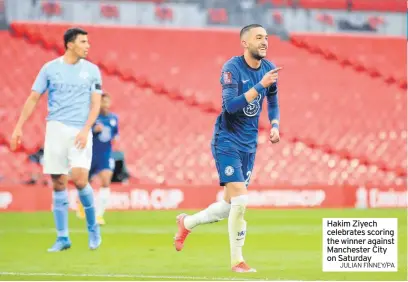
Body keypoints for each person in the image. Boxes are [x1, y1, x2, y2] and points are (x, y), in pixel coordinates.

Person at [173, 24, 282, 273]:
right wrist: (259, 86)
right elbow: (230, 106)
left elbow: (273, 99)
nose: (265, 42)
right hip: (227, 140)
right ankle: (237, 261)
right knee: (241, 200)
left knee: (228, 205)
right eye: (258, 38)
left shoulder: (268, 69)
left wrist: (275, 124)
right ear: (245, 43)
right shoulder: (232, 69)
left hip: (249, 144)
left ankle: (187, 223)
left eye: (266, 38)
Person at [10, 27, 103, 252]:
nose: (87, 46)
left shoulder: (92, 71)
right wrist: (18, 127)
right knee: (59, 182)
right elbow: (33, 98)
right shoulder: (50, 69)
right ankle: (63, 237)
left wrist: (85, 129)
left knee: (80, 179)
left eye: (87, 42)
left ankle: (93, 228)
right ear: (70, 44)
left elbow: (96, 104)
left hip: (80, 130)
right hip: (55, 129)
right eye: (83, 42)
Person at [77, 93, 119, 225]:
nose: (105, 105)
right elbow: (82, 133)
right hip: (90, 154)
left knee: (106, 181)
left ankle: (99, 215)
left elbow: (115, 134)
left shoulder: (114, 118)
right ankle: (81, 205)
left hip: (105, 155)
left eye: (107, 102)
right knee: (84, 183)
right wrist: (94, 130)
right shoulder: (92, 117)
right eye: (103, 102)